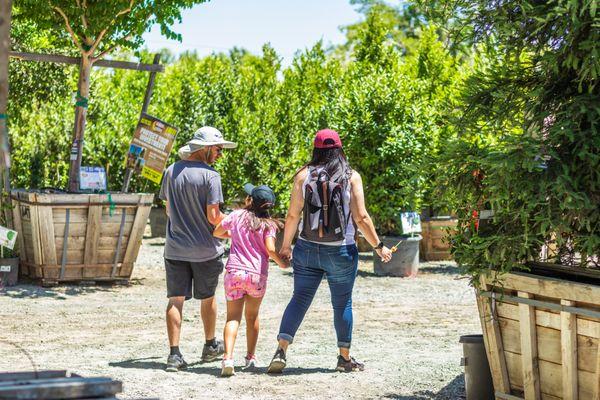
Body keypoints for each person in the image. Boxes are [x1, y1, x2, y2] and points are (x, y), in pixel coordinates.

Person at [267, 129, 393, 374]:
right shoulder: (351, 176)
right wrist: (378, 246)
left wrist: (285, 247)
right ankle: (344, 358)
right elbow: (361, 217)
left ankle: (281, 349)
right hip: (341, 251)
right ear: (339, 149)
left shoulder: (303, 176)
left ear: (316, 150)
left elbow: (293, 215)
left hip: (306, 247)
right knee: (342, 303)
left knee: (300, 298)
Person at [159, 126, 237, 372]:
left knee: (175, 299)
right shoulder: (211, 176)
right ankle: (210, 345)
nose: (220, 154)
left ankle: (174, 355)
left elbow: (169, 210)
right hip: (205, 249)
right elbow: (214, 217)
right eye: (218, 149)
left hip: (175, 248)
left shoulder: (171, 171)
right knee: (208, 297)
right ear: (204, 149)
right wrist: (236, 221)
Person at [213, 183, 288, 377]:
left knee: (232, 318)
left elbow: (217, 232)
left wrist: (235, 235)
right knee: (252, 316)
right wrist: (282, 263)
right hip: (256, 275)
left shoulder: (237, 215)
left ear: (250, 200)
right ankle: (250, 357)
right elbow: (270, 249)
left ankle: (228, 358)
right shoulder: (268, 225)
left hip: (235, 273)